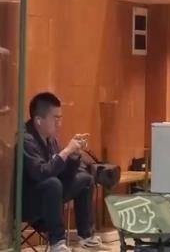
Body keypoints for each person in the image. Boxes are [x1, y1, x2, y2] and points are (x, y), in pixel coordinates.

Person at [22, 92, 108, 251]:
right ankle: (57, 242)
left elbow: (63, 174)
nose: (59, 123)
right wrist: (66, 151)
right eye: (55, 118)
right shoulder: (26, 139)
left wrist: (73, 156)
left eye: (60, 118)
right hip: (30, 202)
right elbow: (40, 173)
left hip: (52, 196)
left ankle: (86, 236)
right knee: (53, 183)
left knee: (85, 180)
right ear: (38, 120)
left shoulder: (50, 139)